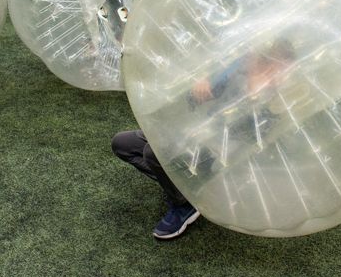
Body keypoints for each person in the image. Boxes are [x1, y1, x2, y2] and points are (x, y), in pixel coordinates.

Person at [111, 41, 295, 240]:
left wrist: (259, 91)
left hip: (223, 147)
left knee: (153, 153)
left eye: (280, 66)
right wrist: (202, 84)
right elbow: (205, 94)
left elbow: (256, 135)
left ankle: (184, 205)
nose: (272, 69)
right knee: (122, 144)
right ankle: (187, 186)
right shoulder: (242, 67)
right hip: (200, 129)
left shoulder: (280, 97)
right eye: (270, 60)